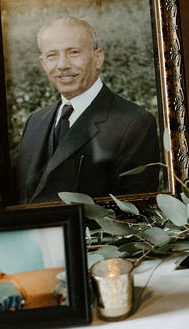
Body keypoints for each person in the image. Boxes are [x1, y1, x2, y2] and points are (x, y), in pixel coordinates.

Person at [14, 16, 161, 204]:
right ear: (43, 64)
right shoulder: (35, 122)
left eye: (73, 52)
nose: (62, 65)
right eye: (52, 55)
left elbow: (130, 216)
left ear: (97, 58)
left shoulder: (133, 123)